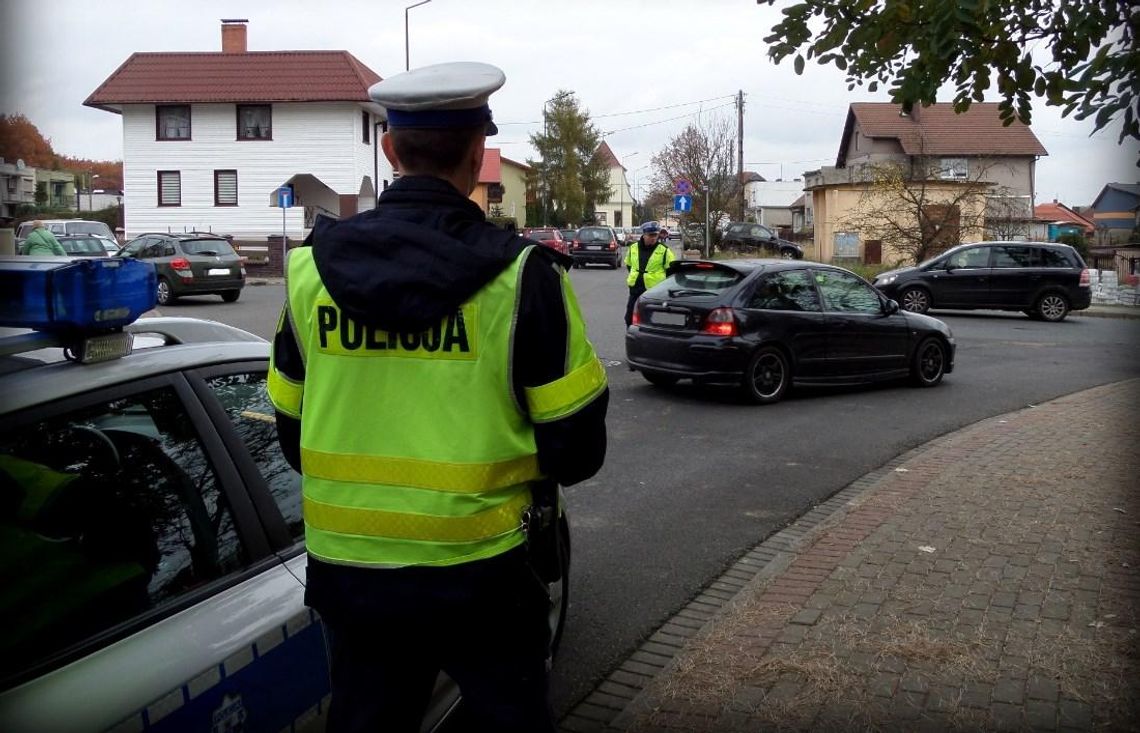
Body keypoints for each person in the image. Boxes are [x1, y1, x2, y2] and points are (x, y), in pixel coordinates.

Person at [267, 61, 608, 733]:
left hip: (353, 578)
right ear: (480, 154)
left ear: (392, 150)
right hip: (484, 578)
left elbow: (289, 434)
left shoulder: (307, 272)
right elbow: (577, 449)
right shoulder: (523, 278)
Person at [624, 220, 677, 326]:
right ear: (644, 234)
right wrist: (637, 276)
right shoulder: (633, 248)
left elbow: (671, 271)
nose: (653, 238)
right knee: (629, 318)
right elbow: (629, 265)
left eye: (655, 235)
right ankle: (632, 339)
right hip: (635, 289)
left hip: (654, 291)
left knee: (650, 320)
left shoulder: (664, 251)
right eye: (650, 235)